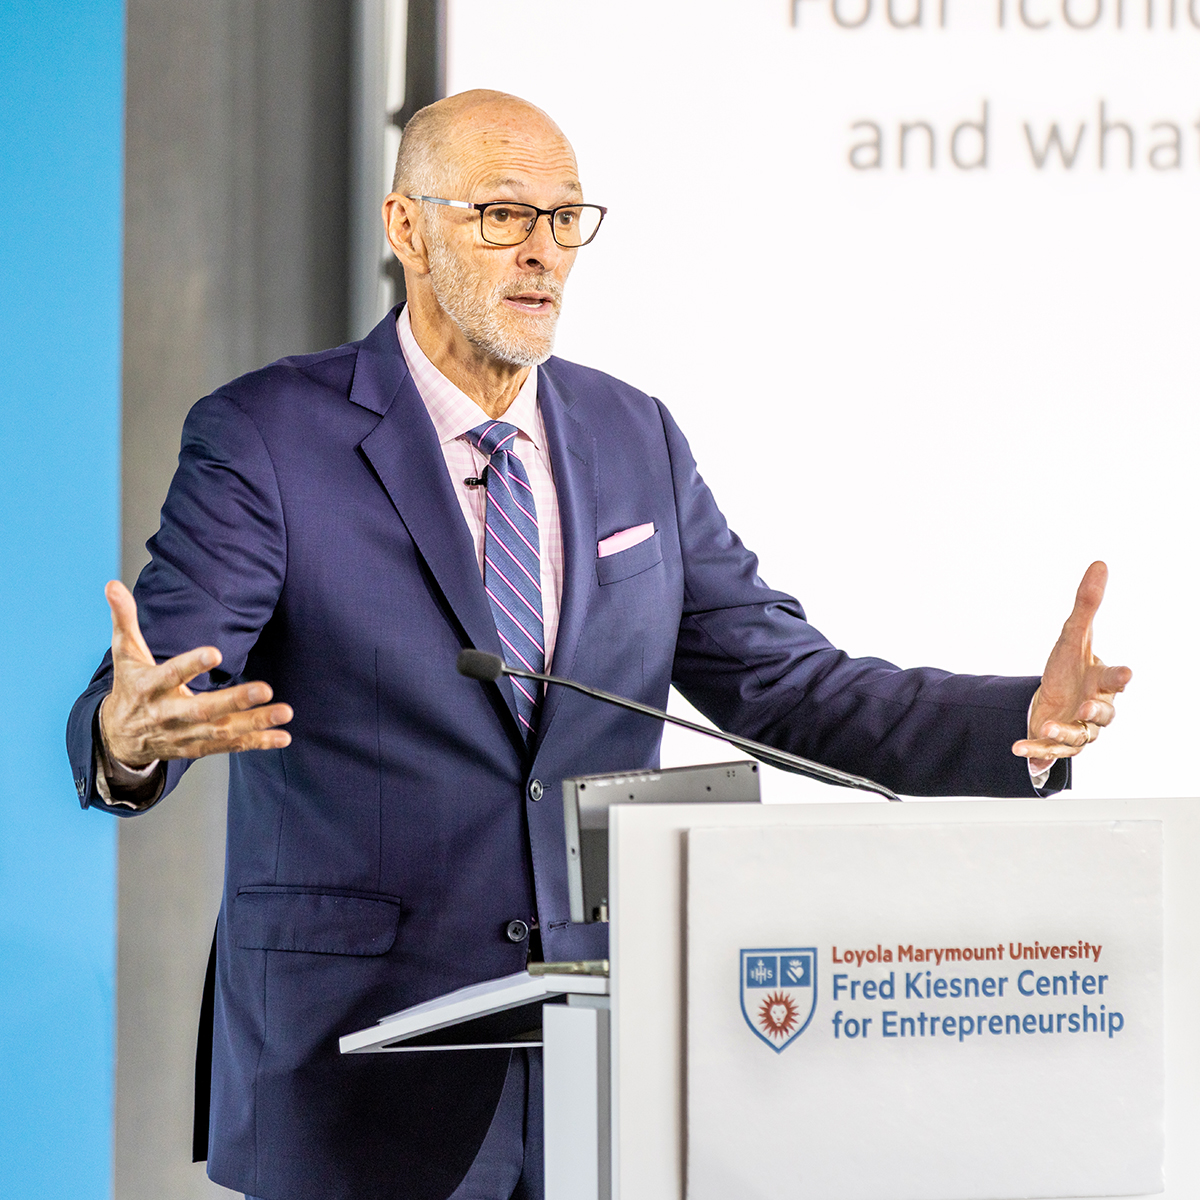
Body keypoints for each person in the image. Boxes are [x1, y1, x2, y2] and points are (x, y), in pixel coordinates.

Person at [66, 90, 1130, 1200]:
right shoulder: (270, 434)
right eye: (502, 214)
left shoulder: (634, 435)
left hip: (607, 1053)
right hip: (361, 1064)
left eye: (567, 218)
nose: (543, 251)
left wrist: (1019, 722)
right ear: (406, 228)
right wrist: (129, 738)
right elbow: (164, 681)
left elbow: (781, 682)